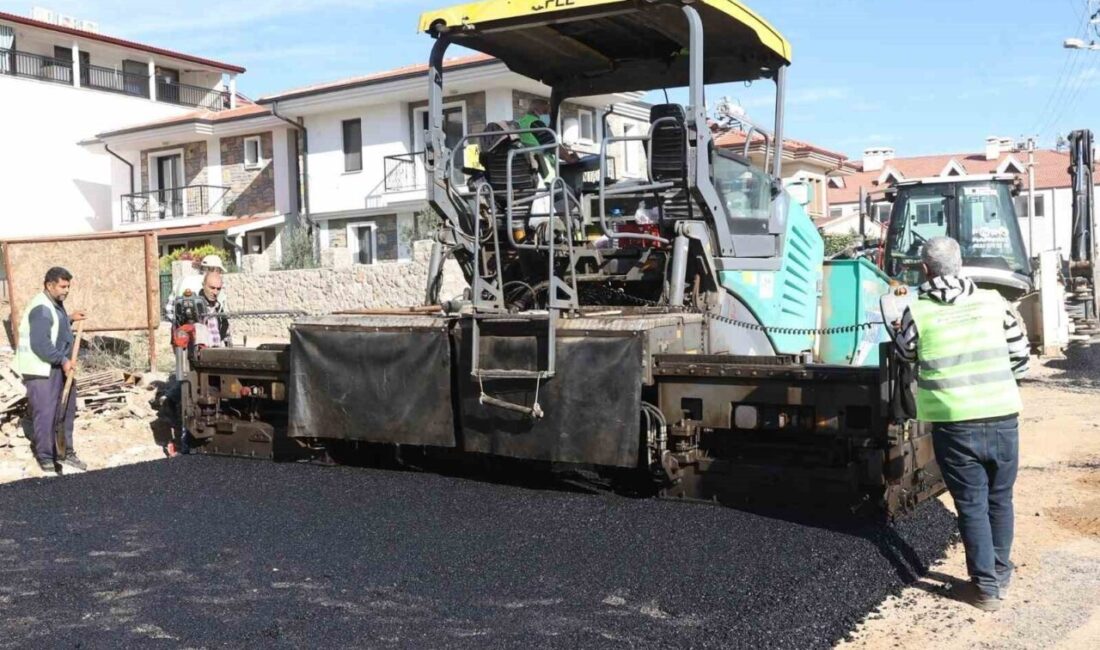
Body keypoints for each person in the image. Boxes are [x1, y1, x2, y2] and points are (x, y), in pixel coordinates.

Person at [894, 236, 1029, 612]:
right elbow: (1020, 356)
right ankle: (1000, 573)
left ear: (924, 269)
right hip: (1002, 417)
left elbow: (906, 353)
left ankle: (986, 588)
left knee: (971, 504)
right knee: (1000, 498)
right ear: (961, 264)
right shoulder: (994, 302)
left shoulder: (916, 311)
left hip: (955, 425)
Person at [12, 266, 88, 476]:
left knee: (66, 410)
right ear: (49, 285)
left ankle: (65, 452)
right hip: (41, 369)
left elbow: (56, 326)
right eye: (63, 286)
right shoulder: (41, 308)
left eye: (68, 286)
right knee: (46, 414)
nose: (67, 290)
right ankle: (46, 457)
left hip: (56, 367)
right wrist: (62, 360)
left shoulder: (55, 304)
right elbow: (40, 344)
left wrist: (70, 318)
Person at [166, 254, 228, 320]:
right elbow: (220, 315)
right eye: (219, 271)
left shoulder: (181, 280)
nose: (220, 275)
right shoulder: (209, 285)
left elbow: (169, 309)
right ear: (214, 270)